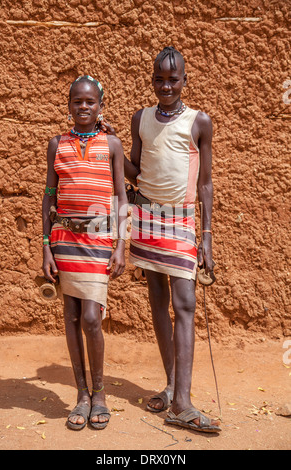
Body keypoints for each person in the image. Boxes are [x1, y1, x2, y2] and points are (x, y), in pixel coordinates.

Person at [124, 47, 221, 433]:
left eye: (173, 79)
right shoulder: (141, 119)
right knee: (158, 301)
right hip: (146, 217)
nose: (166, 86)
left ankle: (182, 401)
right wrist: (113, 148)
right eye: (159, 79)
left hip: (180, 221)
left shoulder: (199, 122)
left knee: (185, 302)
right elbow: (135, 170)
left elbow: (206, 183)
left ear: (184, 80)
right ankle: (171, 387)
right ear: (152, 80)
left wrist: (208, 237)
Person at [42, 75, 127, 431]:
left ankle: (101, 393)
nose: (83, 107)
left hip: (99, 240)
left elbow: (122, 197)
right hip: (64, 240)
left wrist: (122, 244)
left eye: (90, 102)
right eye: (77, 101)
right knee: (72, 316)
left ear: (100, 107)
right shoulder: (55, 144)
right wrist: (45, 247)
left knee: (92, 318)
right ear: (69, 105)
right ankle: (81, 394)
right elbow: (48, 195)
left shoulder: (112, 145)